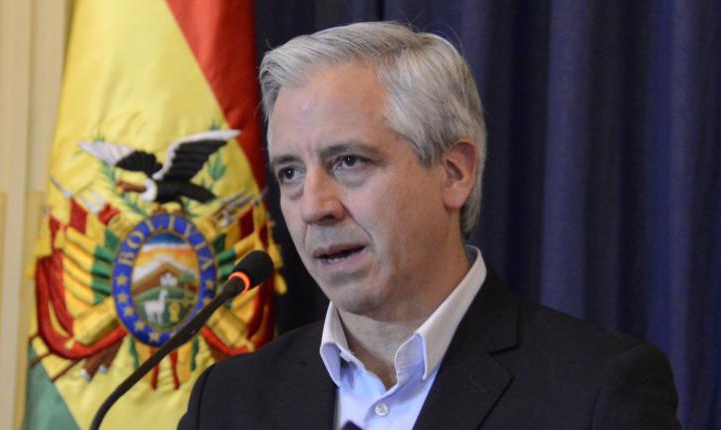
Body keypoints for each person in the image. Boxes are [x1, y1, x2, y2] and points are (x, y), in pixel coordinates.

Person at [179, 21, 680, 429]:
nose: (313, 207)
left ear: (454, 172)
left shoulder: (595, 393)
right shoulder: (227, 402)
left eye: (349, 161)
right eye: (290, 172)